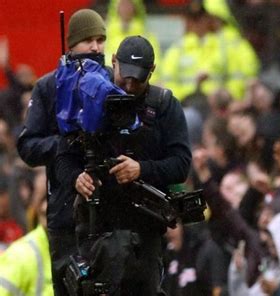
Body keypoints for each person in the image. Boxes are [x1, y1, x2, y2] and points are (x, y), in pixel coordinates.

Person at [55, 35, 191, 295]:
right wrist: (76, 178)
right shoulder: (91, 97)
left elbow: (181, 164)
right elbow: (62, 158)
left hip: (145, 235)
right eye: (124, 76)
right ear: (114, 61)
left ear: (151, 72)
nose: (128, 87)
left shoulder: (164, 106)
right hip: (98, 231)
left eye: (137, 80)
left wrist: (142, 169)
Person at [16, 8, 107, 295]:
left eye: (101, 39)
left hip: (107, 214)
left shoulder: (112, 84)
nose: (95, 47)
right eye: (88, 40)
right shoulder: (48, 87)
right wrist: (65, 144)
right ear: (71, 44)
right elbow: (28, 146)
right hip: (65, 215)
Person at [0, 168, 53, 296]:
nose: (46, 207)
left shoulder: (89, 249)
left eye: (53, 199)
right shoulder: (19, 255)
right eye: (42, 199)